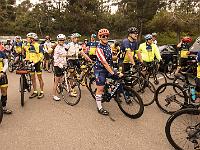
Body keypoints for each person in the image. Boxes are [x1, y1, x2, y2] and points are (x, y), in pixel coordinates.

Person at [94, 28, 121, 115]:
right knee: (100, 89)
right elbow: (104, 63)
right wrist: (113, 73)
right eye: (103, 36)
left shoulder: (108, 46)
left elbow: (111, 58)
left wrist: (118, 56)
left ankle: (114, 93)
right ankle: (99, 107)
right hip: (100, 69)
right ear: (100, 37)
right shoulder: (98, 48)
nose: (105, 37)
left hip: (108, 67)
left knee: (120, 77)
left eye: (107, 36)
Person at [25, 33, 44, 99]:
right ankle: (35, 91)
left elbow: (41, 56)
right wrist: (26, 60)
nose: (27, 39)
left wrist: (35, 62)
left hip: (37, 64)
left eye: (28, 38)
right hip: (31, 63)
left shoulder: (39, 46)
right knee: (33, 78)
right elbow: (28, 54)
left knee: (39, 78)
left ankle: (41, 92)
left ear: (32, 39)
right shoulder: (28, 45)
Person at [52, 34, 67, 101]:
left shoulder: (64, 46)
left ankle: (60, 87)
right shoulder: (57, 48)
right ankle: (54, 95)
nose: (61, 41)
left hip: (63, 65)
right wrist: (60, 65)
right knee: (56, 81)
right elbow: (55, 59)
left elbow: (65, 55)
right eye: (60, 40)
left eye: (63, 40)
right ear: (58, 41)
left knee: (62, 78)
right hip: (57, 66)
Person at [0, 47, 12, 114]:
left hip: (2, 74)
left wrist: (2, 71)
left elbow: (6, 64)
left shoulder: (2, 53)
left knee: (4, 90)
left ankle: (3, 107)